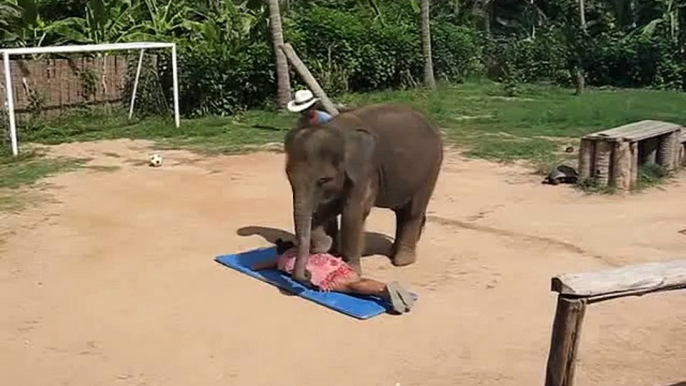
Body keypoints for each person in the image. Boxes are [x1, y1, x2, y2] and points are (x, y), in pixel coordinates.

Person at [251, 238, 416, 314]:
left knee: (352, 287)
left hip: (328, 277)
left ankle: (385, 290)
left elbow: (257, 266)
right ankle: (385, 287)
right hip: (339, 266)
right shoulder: (307, 251)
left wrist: (271, 262)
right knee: (357, 281)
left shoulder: (282, 259)